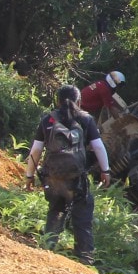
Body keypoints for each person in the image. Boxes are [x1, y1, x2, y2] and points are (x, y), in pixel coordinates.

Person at [25, 84, 113, 263]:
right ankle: (85, 258)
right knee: (82, 215)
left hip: (53, 178)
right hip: (76, 180)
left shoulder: (47, 120)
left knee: (55, 210)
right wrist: (106, 171)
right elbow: (97, 146)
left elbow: (35, 150)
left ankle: (47, 250)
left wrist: (29, 176)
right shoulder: (86, 120)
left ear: (57, 101)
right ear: (79, 101)